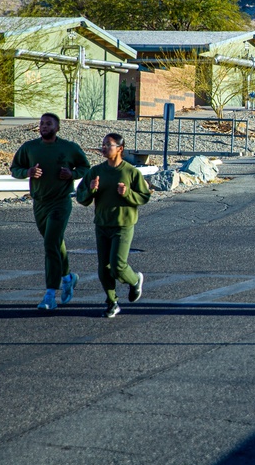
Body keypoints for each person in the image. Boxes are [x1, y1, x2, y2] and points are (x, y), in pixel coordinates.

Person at [10, 113, 91, 311]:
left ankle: (50, 294)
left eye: (48, 123)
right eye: (42, 123)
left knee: (50, 244)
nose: (44, 126)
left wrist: (72, 174)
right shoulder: (30, 148)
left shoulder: (69, 148)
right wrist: (27, 172)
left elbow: (85, 167)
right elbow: (15, 168)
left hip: (60, 203)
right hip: (39, 203)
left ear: (57, 127)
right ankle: (68, 277)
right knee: (55, 243)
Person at [76, 133, 151, 318]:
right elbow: (81, 197)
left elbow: (144, 196)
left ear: (120, 149)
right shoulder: (96, 171)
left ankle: (134, 281)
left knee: (118, 265)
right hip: (102, 224)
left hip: (123, 224)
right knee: (103, 268)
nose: (104, 148)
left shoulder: (131, 172)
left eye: (108, 145)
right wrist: (91, 189)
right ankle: (112, 302)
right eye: (103, 144)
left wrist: (127, 194)